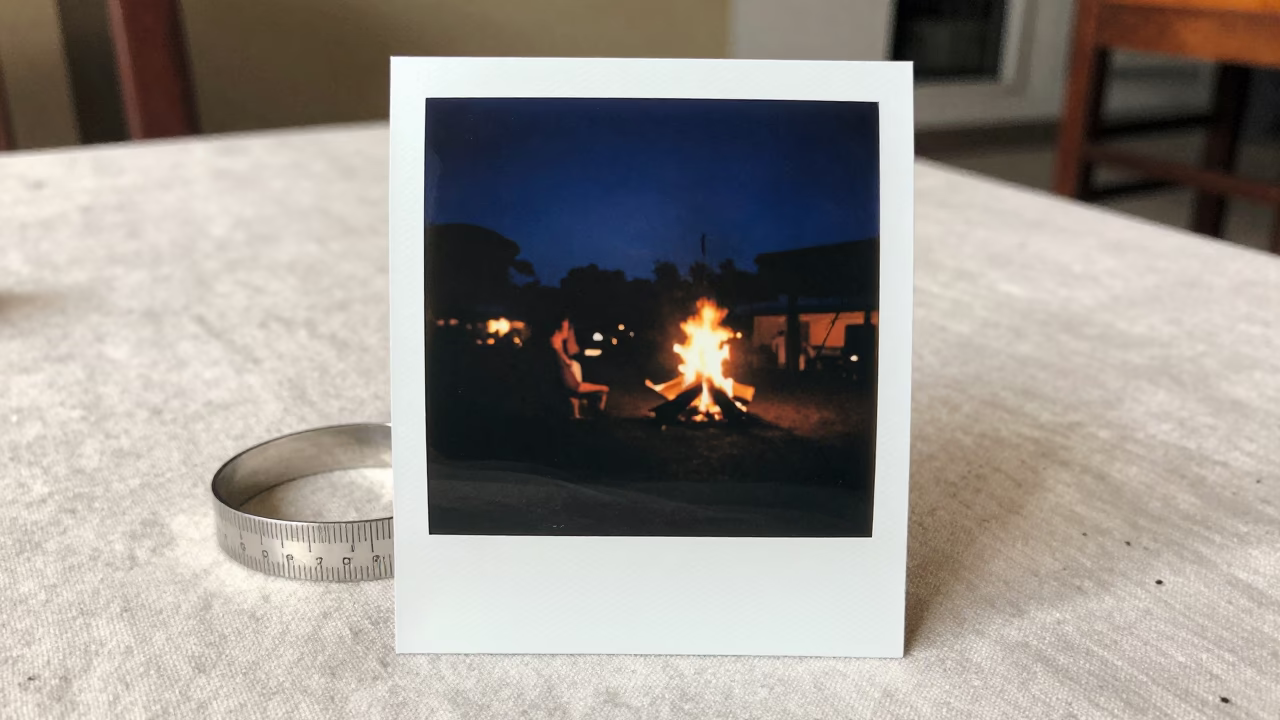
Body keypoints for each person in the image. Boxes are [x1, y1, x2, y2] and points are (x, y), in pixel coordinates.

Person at [550, 318, 609, 419]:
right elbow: (575, 387)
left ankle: (577, 414)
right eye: (567, 326)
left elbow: (566, 354)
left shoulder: (557, 345)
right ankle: (589, 415)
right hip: (570, 385)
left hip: (570, 379)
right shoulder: (555, 345)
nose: (568, 329)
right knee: (603, 389)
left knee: (575, 367)